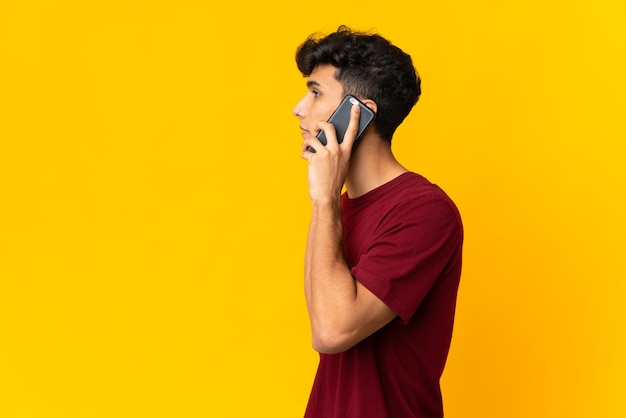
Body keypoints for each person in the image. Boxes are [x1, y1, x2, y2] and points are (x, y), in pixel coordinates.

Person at [292, 26, 464, 418]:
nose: (299, 108)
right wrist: (327, 201)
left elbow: (333, 331)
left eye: (316, 92)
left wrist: (322, 201)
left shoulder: (424, 211)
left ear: (359, 112)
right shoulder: (338, 207)